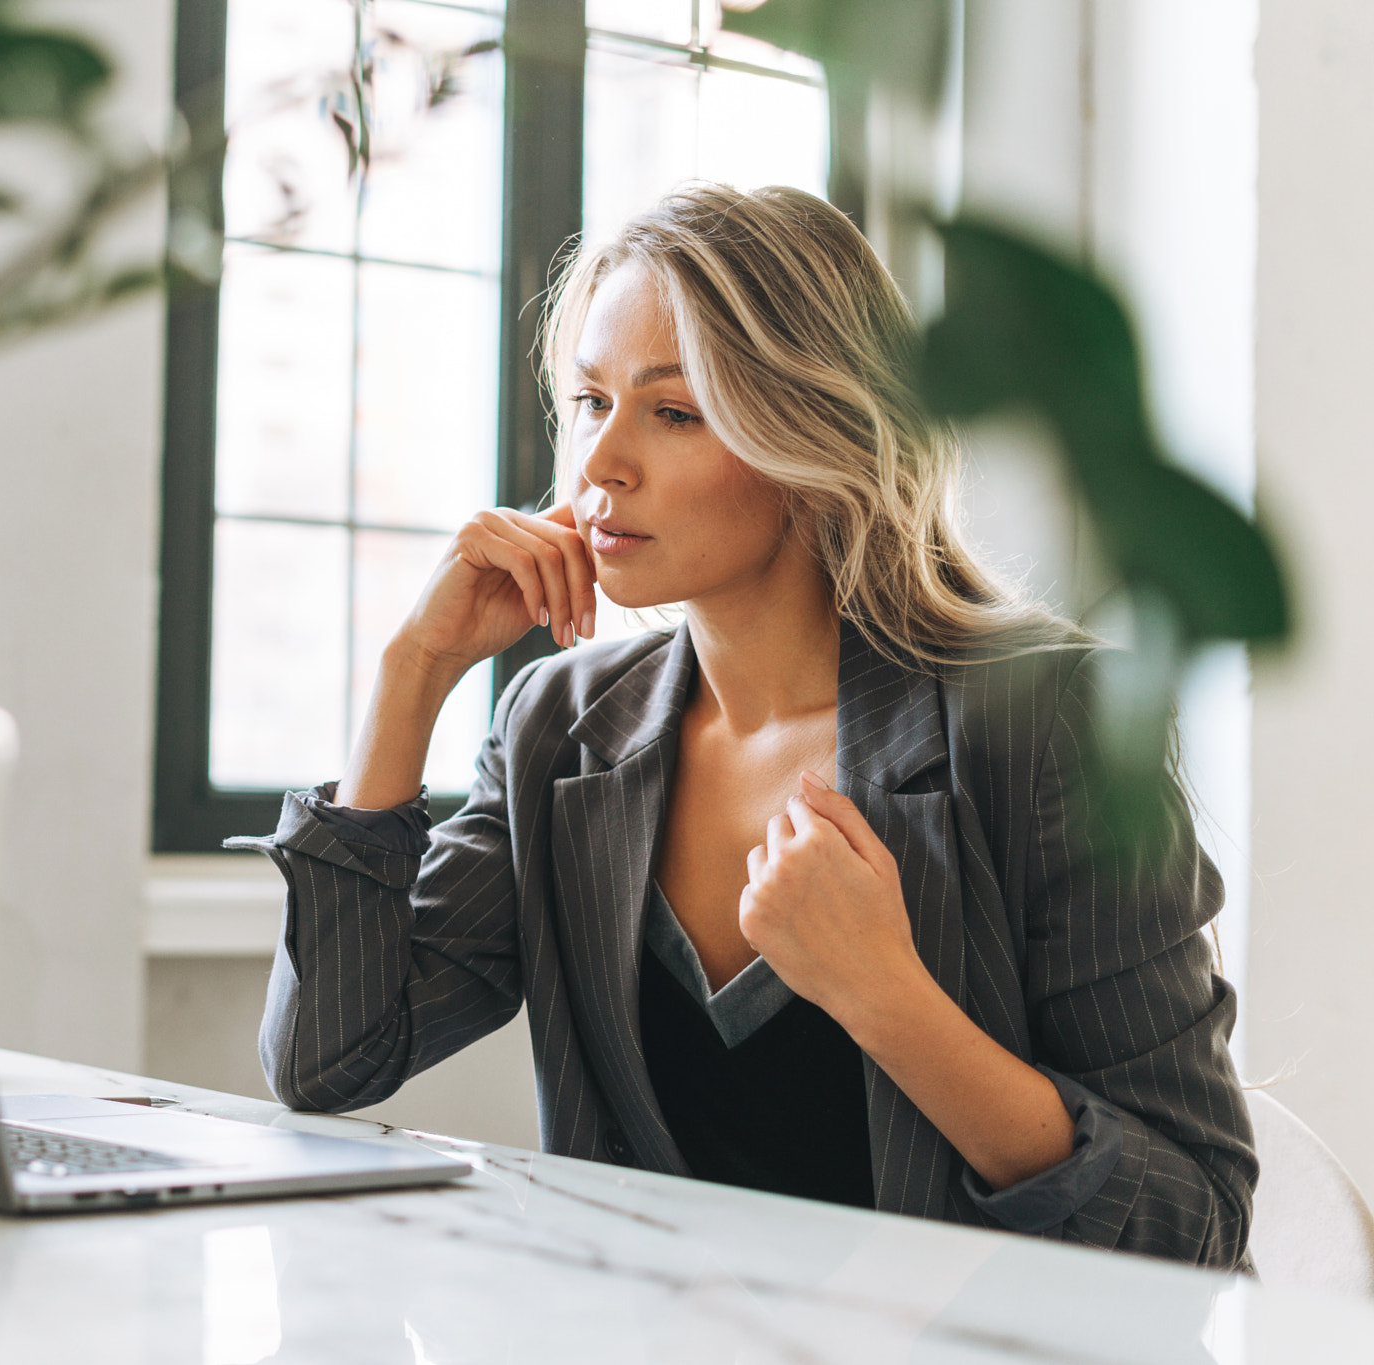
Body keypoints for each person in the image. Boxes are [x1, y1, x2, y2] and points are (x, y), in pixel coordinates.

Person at [228, 183, 1254, 1268]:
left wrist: (887, 998)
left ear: (811, 434)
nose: (597, 467)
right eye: (588, 401)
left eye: (672, 412)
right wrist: (414, 671)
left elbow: (1190, 1219)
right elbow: (328, 1062)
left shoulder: (1042, 719)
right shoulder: (558, 729)